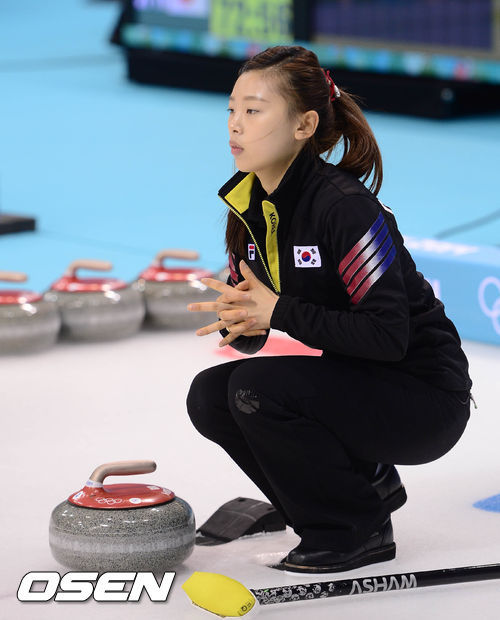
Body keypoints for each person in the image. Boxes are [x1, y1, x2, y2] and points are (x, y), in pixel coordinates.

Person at [185, 45, 473, 574]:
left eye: (253, 110)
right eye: (231, 109)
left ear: (304, 125)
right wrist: (242, 321)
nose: (235, 125)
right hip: (357, 381)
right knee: (210, 397)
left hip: (426, 397)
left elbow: (388, 336)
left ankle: (352, 529)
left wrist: (278, 312)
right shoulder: (247, 206)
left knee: (255, 390)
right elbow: (262, 322)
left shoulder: (345, 208)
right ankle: (361, 486)